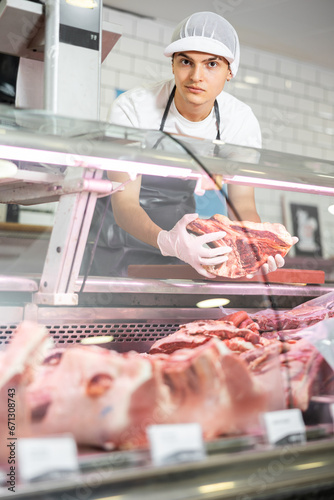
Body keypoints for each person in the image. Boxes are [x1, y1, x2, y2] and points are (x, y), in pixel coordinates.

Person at [83, 11, 288, 278]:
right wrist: (167, 241)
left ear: (230, 72)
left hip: (183, 243)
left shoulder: (240, 122)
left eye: (211, 64)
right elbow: (124, 206)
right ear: (172, 64)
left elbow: (243, 204)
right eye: (186, 61)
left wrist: (254, 246)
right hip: (112, 242)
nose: (196, 76)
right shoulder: (134, 108)